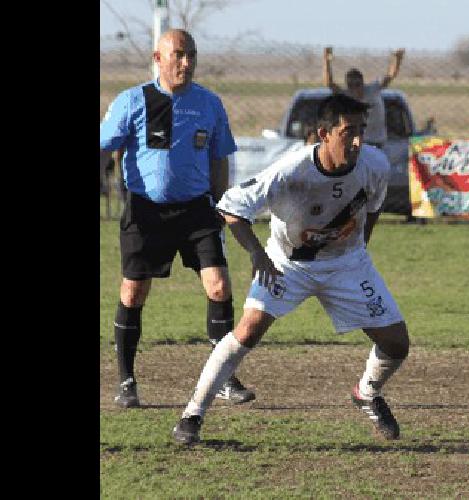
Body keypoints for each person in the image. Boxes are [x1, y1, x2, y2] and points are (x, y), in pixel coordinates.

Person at [171, 94, 411, 446]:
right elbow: (232, 208)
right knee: (248, 330)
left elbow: (372, 205)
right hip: (288, 265)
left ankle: (366, 392)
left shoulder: (374, 164)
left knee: (397, 344)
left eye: (362, 131)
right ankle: (192, 414)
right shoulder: (290, 170)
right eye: (348, 132)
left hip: (347, 264)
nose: (358, 141)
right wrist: (257, 254)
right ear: (323, 133)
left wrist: (358, 249)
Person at [99, 29, 255, 408]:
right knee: (134, 293)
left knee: (218, 287)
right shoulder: (132, 101)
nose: (186, 63)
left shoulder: (209, 103)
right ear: (158, 58)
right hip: (145, 211)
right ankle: (126, 381)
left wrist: (221, 204)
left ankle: (223, 378)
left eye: (192, 56)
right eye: (179, 55)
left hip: (196, 210)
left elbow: (220, 157)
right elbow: (104, 147)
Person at [323, 46, 405, 151]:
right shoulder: (346, 96)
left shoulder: (372, 90)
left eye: (357, 84)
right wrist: (326, 61)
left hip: (377, 141)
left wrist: (397, 59)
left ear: (362, 83)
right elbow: (329, 83)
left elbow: (390, 76)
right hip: (356, 143)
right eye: (350, 85)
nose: (354, 88)